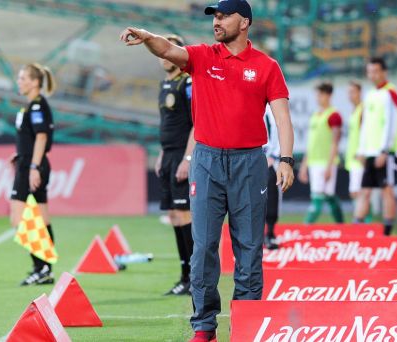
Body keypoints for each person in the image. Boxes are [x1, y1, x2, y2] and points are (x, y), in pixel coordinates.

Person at [120, 1, 295, 340]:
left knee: (248, 247)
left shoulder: (266, 66)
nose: (216, 21)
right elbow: (169, 49)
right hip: (207, 161)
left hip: (249, 163)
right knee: (203, 246)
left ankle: (246, 326)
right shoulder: (202, 56)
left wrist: (286, 159)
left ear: (244, 22)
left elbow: (283, 118)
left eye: (223, 16)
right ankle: (204, 327)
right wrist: (146, 37)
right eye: (214, 16)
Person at [154, 34, 195, 296]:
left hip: (183, 154)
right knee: (173, 216)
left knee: (184, 215)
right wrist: (162, 153)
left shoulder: (188, 83)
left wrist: (187, 158)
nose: (164, 55)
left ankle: (193, 276)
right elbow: (166, 124)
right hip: (168, 155)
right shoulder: (164, 84)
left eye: (170, 49)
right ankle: (184, 275)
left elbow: (197, 122)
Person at [10, 63, 56, 286]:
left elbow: (41, 138)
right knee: (42, 219)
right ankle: (44, 269)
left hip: (32, 167)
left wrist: (33, 167)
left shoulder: (37, 106)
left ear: (35, 82)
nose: (19, 82)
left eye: (22, 78)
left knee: (18, 220)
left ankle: (41, 267)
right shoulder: (29, 107)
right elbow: (30, 138)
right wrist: (19, 155)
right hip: (28, 163)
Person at [356, 57, 397, 235]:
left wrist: (385, 150)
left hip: (385, 152)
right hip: (369, 152)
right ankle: (356, 230)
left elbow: (391, 123)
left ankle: (387, 232)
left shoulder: (390, 93)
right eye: (370, 71)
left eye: (376, 71)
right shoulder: (370, 94)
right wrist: (361, 149)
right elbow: (366, 125)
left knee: (386, 190)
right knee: (365, 190)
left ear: (384, 72)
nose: (373, 75)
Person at [298, 82, 344, 224]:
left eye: (320, 95)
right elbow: (311, 144)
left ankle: (305, 228)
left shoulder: (334, 116)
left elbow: (335, 142)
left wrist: (330, 166)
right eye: (317, 95)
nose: (318, 98)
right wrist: (304, 165)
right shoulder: (315, 115)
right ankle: (342, 226)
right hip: (314, 162)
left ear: (329, 95)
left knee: (318, 197)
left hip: (325, 162)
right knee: (328, 195)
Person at [344, 80, 368, 223]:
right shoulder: (354, 110)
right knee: (356, 192)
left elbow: (366, 132)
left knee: (358, 192)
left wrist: (362, 151)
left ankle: (363, 222)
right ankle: (363, 221)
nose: (350, 95)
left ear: (360, 92)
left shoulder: (362, 110)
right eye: (349, 92)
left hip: (359, 156)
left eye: (353, 92)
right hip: (352, 156)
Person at [263, 106, 281, 250]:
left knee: (271, 196)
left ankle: (269, 233)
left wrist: (273, 155)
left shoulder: (272, 107)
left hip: (269, 158)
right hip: (251, 157)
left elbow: (279, 129)